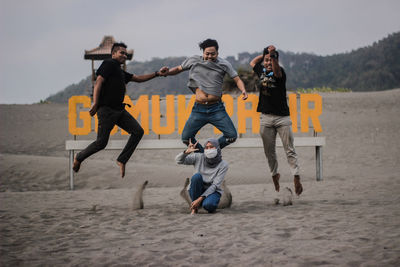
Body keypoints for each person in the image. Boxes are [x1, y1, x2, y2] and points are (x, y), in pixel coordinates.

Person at [73, 42, 168, 178]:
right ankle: (79, 157)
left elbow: (138, 78)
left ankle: (122, 160)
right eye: (121, 52)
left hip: (119, 110)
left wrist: (157, 73)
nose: (124, 55)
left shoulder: (120, 71)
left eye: (125, 53)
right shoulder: (109, 64)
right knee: (101, 143)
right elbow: (98, 81)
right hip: (106, 110)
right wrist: (95, 103)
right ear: (113, 54)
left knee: (138, 131)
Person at [166, 38, 248, 152]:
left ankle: (211, 150)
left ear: (217, 53)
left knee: (231, 136)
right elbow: (178, 69)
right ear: (203, 52)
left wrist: (243, 90)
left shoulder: (224, 64)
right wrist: (167, 72)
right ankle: (204, 154)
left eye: (213, 54)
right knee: (186, 138)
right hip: (198, 109)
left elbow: (237, 79)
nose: (210, 56)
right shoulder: (194, 60)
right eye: (207, 54)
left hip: (217, 109)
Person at [249, 45, 303, 195]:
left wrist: (272, 56)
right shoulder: (261, 71)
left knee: (289, 149)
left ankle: (296, 177)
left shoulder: (280, 72)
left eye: (270, 60)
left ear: (276, 60)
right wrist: (265, 53)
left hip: (282, 118)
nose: (267, 63)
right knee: (269, 152)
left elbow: (277, 71)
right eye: (265, 61)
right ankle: (275, 176)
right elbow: (253, 63)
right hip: (265, 118)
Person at [175, 138, 228, 214]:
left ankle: (204, 202)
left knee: (209, 205)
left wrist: (199, 199)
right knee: (197, 176)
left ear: (217, 148)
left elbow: (215, 185)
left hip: (212, 191)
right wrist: (186, 152)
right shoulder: (198, 157)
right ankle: (195, 208)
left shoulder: (223, 165)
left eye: (211, 147)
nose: (209, 149)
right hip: (197, 189)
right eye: (206, 147)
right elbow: (178, 160)